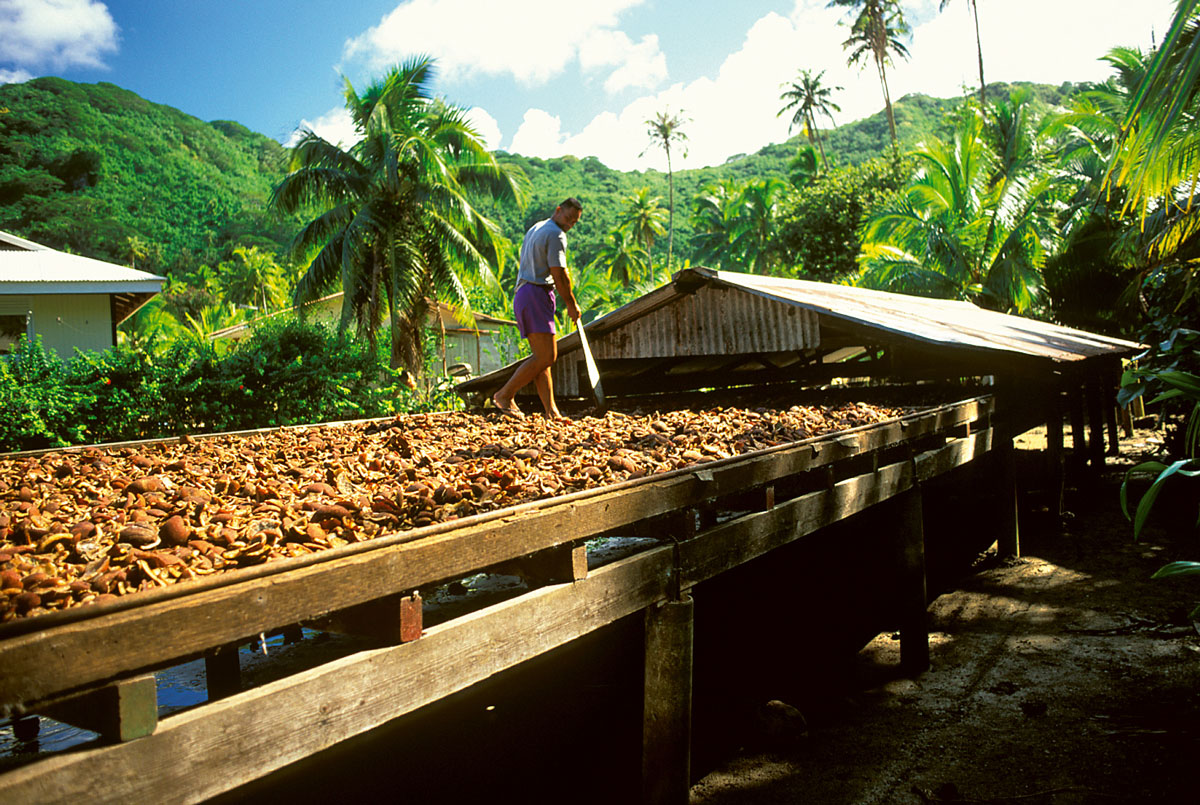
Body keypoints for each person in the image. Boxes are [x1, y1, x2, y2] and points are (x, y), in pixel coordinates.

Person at [492, 197, 584, 419]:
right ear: (558, 209)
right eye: (568, 218)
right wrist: (572, 305)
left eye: (574, 222)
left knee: (542, 357)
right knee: (546, 357)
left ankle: (551, 412)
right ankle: (505, 395)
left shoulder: (538, 227)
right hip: (535, 294)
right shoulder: (556, 234)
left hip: (525, 294)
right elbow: (559, 275)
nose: (569, 224)